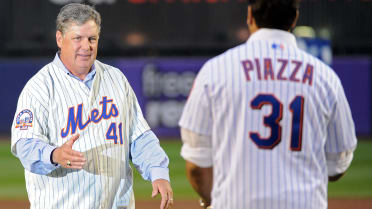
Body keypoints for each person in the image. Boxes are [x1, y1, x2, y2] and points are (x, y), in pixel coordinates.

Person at [178, 0, 357, 208]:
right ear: (295, 18)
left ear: (249, 16)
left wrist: (212, 200)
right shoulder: (325, 77)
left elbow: (196, 167)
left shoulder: (215, 71)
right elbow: (337, 165)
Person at [11, 3, 173, 209]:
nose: (86, 46)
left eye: (92, 39)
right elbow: (25, 145)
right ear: (60, 39)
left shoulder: (116, 79)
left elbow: (139, 136)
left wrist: (158, 172)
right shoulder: (40, 86)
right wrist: (54, 155)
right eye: (77, 38)